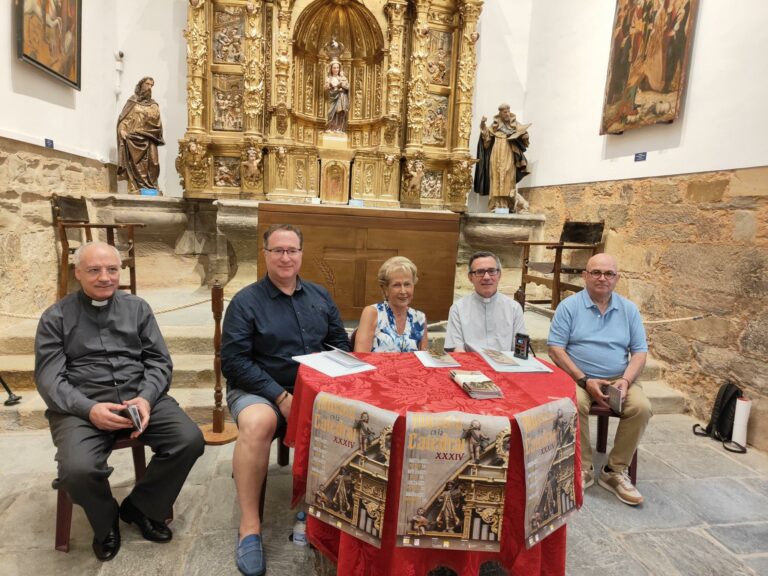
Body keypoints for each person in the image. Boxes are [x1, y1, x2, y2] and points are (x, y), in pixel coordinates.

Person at [34, 242, 204, 562]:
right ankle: (105, 519)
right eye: (94, 270)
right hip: (80, 407)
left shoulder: (138, 308)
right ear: (78, 273)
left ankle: (140, 507)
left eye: (112, 269)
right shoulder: (55, 317)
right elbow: (49, 379)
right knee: (77, 470)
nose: (105, 278)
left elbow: (159, 362)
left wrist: (147, 397)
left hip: (138, 396)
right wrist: (89, 409)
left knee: (189, 439)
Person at [221, 223, 350, 576]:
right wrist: (280, 397)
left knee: (354, 417)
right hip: (259, 388)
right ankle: (249, 528)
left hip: (312, 390)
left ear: (301, 254)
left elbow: (339, 344)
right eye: (277, 250)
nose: (285, 257)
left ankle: (321, 510)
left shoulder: (320, 296)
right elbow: (233, 362)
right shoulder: (246, 301)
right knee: (257, 423)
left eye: (292, 250)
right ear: (265, 254)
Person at [547, 253, 652, 506]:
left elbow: (640, 352)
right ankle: (582, 468)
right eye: (596, 272)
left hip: (618, 377)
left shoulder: (628, 309)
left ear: (617, 278)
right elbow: (555, 348)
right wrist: (584, 380)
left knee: (641, 408)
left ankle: (614, 471)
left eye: (608, 274)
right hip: (579, 376)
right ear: (585, 276)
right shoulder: (569, 307)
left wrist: (626, 381)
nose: (602, 278)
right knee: (575, 404)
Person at [444, 251, 526, 352]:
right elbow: (456, 349)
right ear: (470, 277)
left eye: (492, 271)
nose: (486, 277)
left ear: (499, 275)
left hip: (506, 366)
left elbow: (521, 350)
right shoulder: (458, 308)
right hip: (472, 365)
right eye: (480, 272)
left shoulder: (514, 308)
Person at [354, 256, 427, 352]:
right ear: (385, 289)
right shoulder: (372, 313)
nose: (403, 291)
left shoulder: (420, 318)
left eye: (407, 284)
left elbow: (425, 360)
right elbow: (361, 356)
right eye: (396, 285)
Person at [473, 104, 531, 212]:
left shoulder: (515, 125)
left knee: (508, 177)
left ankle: (508, 206)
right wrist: (482, 124)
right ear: (500, 113)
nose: (507, 114)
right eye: (505, 112)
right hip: (495, 155)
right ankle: (496, 206)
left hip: (509, 153)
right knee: (496, 178)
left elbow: (523, 134)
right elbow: (486, 140)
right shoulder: (495, 126)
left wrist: (525, 136)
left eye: (509, 111)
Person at [117, 77, 165, 192]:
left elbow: (157, 123)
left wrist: (153, 113)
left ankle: (152, 186)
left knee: (154, 162)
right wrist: (122, 129)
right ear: (141, 85)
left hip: (150, 137)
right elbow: (124, 119)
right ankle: (138, 187)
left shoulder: (154, 105)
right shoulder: (132, 102)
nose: (149, 87)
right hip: (134, 139)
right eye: (147, 84)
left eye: (151, 85)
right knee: (137, 164)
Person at [325, 60, 350, 133]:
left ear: (339, 69)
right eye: (334, 68)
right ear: (331, 69)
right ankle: (330, 128)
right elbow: (326, 88)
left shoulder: (342, 78)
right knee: (331, 113)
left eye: (337, 68)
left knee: (340, 112)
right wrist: (329, 87)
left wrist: (341, 83)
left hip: (341, 98)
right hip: (333, 97)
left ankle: (339, 129)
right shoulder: (329, 78)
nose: (336, 69)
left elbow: (347, 87)